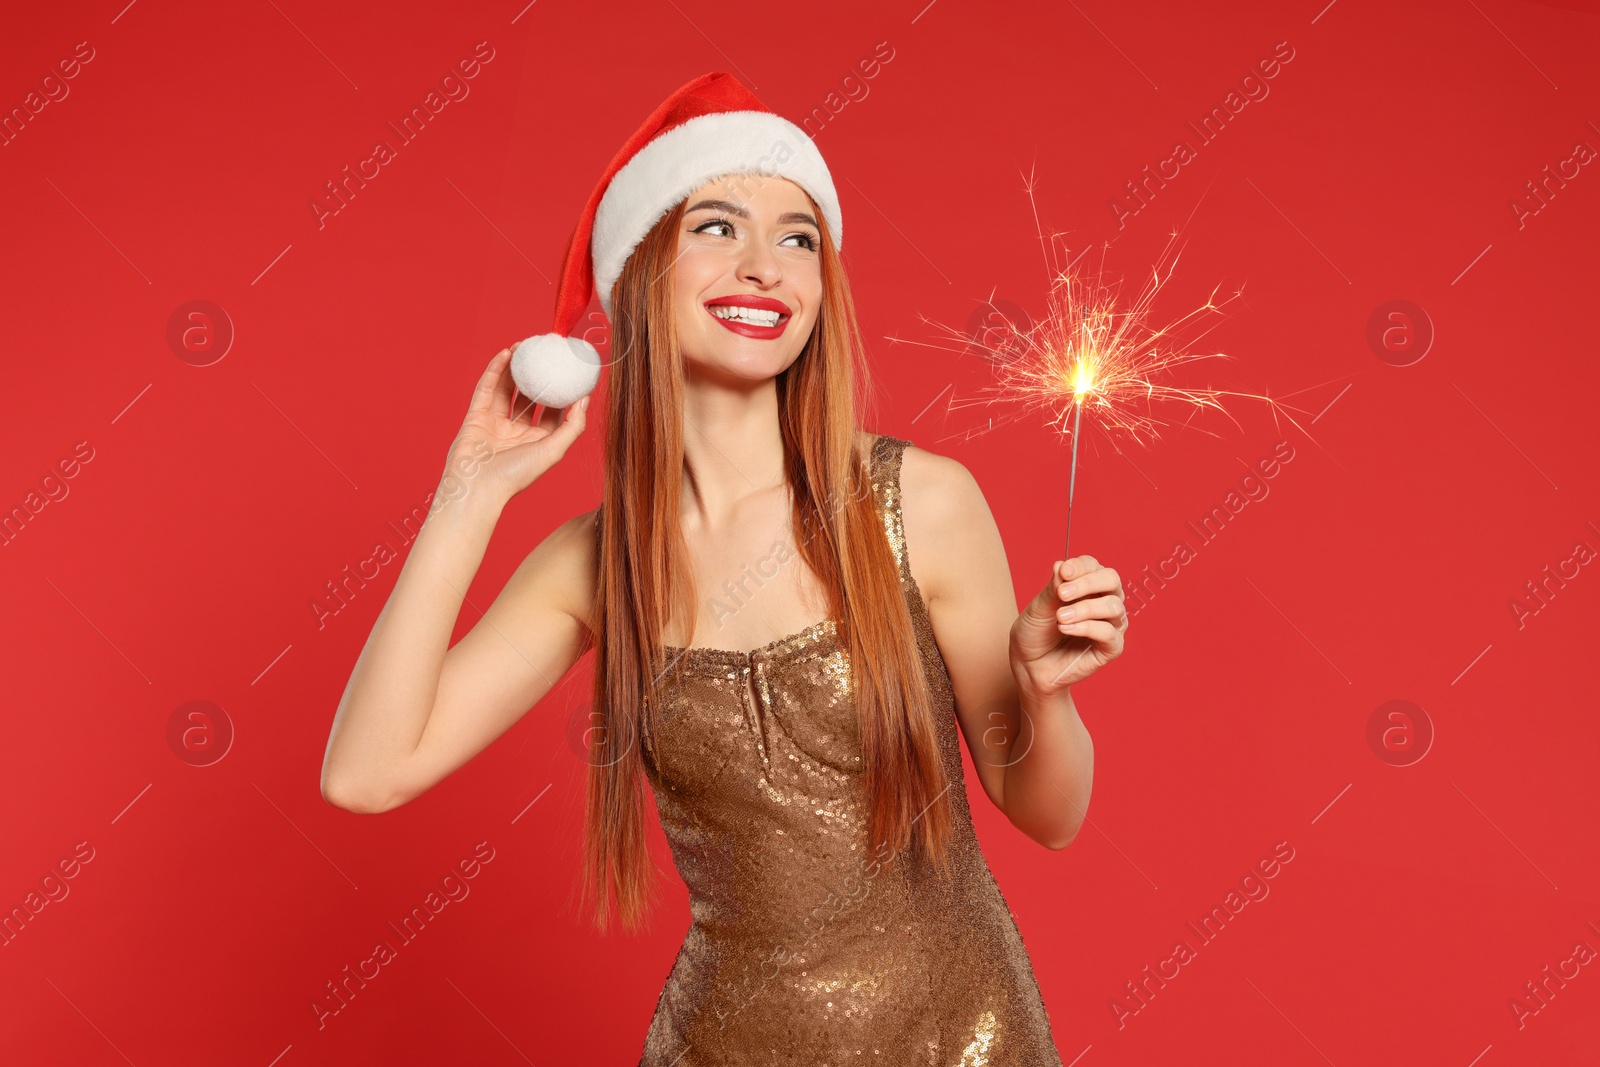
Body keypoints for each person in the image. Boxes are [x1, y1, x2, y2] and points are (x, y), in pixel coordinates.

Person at [321, 72, 1128, 1066]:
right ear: (641, 268)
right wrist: (469, 494)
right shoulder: (591, 564)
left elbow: (1049, 815)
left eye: (797, 238)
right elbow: (365, 773)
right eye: (716, 226)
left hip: (965, 1039)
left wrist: (1047, 697)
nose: (763, 267)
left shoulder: (921, 501)